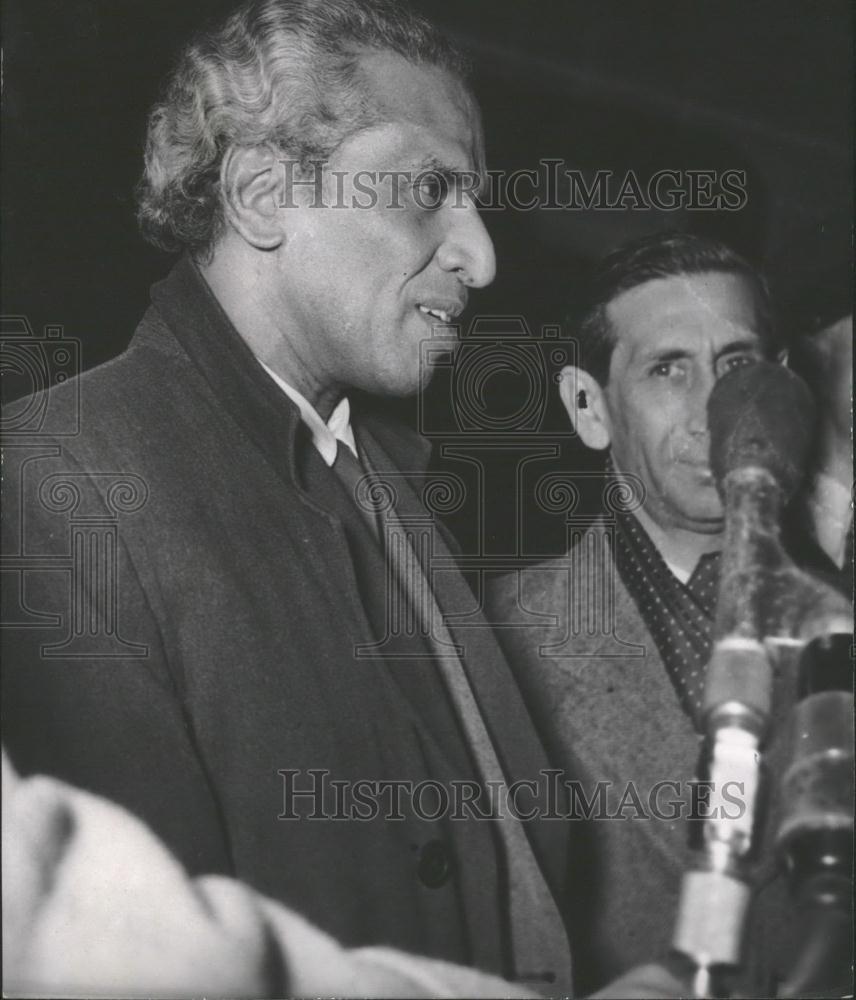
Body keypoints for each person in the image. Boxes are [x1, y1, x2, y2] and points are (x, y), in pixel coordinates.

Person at [1, 0, 579, 992]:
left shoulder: (397, 478)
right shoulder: (57, 474)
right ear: (265, 192)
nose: (481, 258)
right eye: (429, 189)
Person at [488, 231, 849, 995]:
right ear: (590, 408)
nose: (715, 411)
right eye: (667, 370)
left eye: (738, 366)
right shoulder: (489, 640)